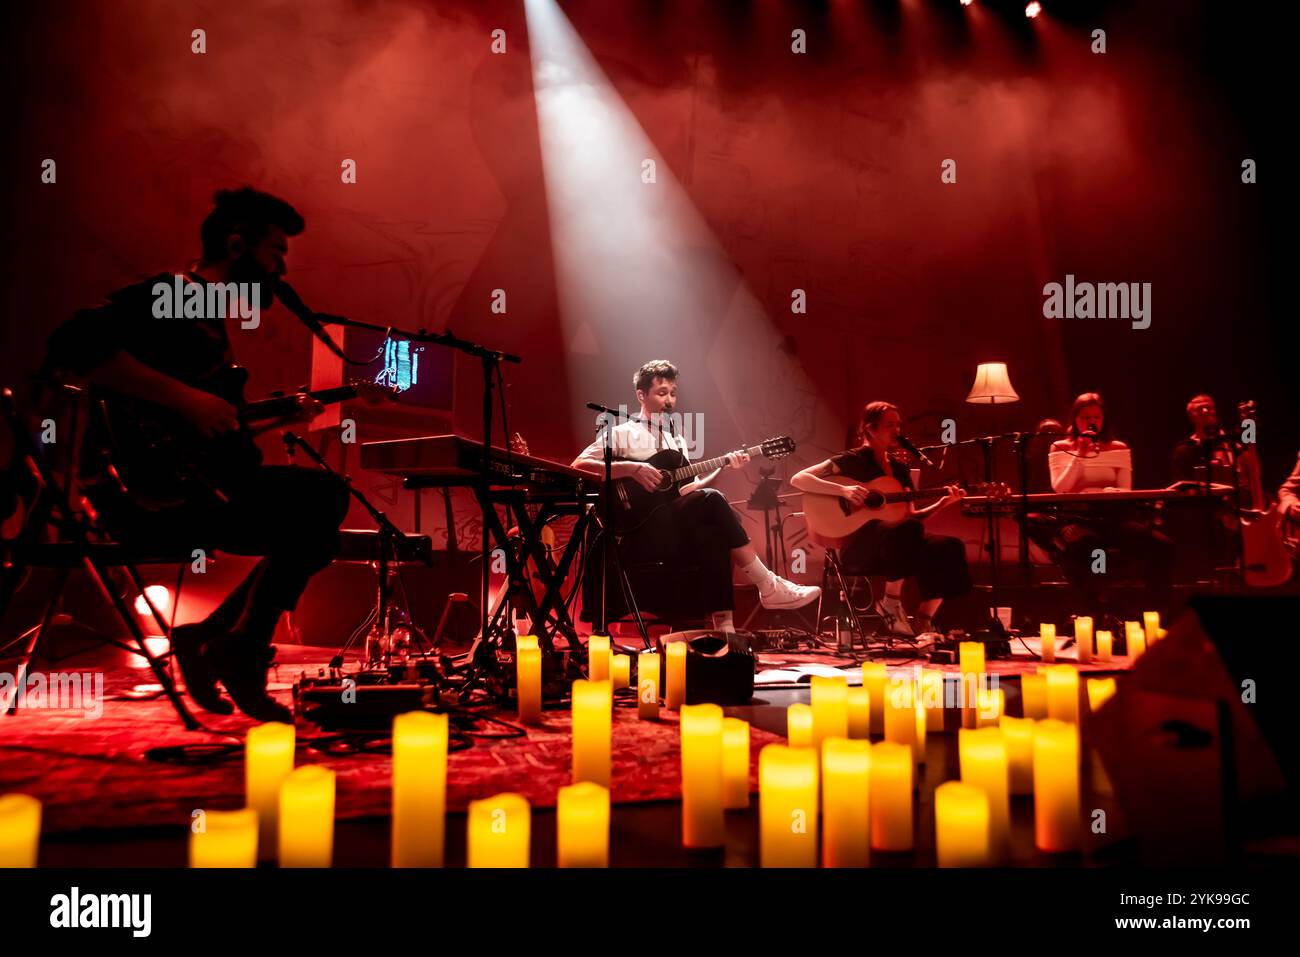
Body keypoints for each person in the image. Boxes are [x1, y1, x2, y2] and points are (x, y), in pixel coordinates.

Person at [44, 187, 350, 721]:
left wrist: (279, 417)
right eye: (276, 251)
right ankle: (231, 647)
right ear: (237, 245)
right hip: (154, 500)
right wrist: (187, 399)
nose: (281, 268)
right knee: (321, 503)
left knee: (317, 516)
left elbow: (208, 433)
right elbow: (72, 343)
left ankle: (216, 640)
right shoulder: (172, 294)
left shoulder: (206, 317)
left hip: (204, 485)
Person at [571, 359, 819, 635]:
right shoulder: (621, 433)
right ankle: (767, 584)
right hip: (634, 530)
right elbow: (578, 467)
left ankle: (724, 629)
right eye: (661, 393)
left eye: (673, 393)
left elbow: (689, 491)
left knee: (712, 532)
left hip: (671, 528)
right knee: (711, 502)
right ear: (641, 395)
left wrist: (725, 465)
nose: (669, 400)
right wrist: (632, 468)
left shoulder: (676, 440)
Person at [790, 401, 970, 637]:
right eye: (890, 425)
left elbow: (911, 518)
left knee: (949, 546)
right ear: (871, 428)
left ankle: (924, 621)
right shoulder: (852, 460)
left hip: (896, 546)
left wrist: (942, 503)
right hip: (860, 548)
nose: (897, 430)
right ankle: (891, 603)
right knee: (906, 531)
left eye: (898, 424)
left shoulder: (899, 469)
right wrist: (842, 491)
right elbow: (799, 479)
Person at [1046, 391, 1174, 608]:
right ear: (1075, 419)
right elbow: (1061, 488)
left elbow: (1125, 488)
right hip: (1080, 517)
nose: (1091, 422)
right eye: (1085, 417)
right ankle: (1098, 604)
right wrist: (1080, 455)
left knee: (1162, 546)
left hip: (1112, 517)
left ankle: (1159, 608)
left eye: (1096, 417)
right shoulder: (1061, 447)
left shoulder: (1118, 448)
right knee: (1095, 550)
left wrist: (1111, 491)